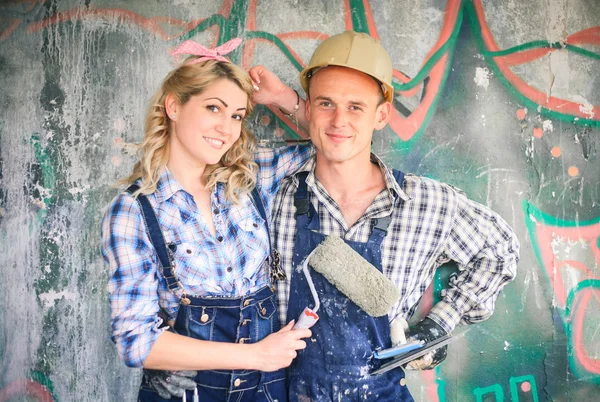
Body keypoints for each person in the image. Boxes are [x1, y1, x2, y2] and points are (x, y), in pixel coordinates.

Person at [254, 31, 520, 401]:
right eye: (325, 104)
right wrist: (280, 98)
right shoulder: (271, 186)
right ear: (309, 109)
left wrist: (438, 324)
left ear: (381, 115)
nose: (338, 121)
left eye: (356, 107)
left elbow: (501, 251)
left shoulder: (426, 203)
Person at [100, 38, 313, 402]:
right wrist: (256, 355)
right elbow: (136, 343)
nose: (226, 129)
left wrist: (282, 99)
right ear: (173, 106)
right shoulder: (133, 212)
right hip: (193, 393)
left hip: (267, 391)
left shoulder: (250, 176)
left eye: (236, 115)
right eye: (213, 108)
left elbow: (333, 141)